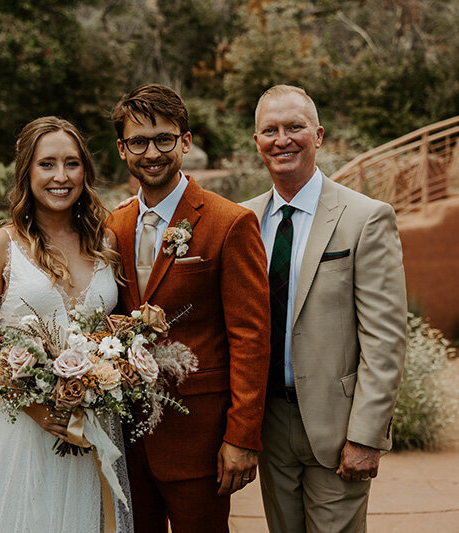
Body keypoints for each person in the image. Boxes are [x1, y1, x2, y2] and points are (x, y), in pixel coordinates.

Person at [241, 85, 407, 532]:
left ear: (318, 136)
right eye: (270, 130)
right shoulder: (242, 222)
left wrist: (366, 436)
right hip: (270, 425)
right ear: (256, 142)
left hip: (338, 428)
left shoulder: (365, 217)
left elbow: (386, 338)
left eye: (294, 127)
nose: (283, 139)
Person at [106, 84, 271, 533]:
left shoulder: (229, 222)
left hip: (199, 437)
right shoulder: (112, 224)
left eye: (164, 138)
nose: (152, 152)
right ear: (122, 149)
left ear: (186, 141)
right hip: (125, 435)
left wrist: (241, 437)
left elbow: (251, 336)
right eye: (138, 141)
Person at [0, 116, 133, 533]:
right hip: (20, 431)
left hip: (94, 426)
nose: (61, 176)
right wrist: (37, 406)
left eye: (72, 164)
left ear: (85, 172)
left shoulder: (106, 242)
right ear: (27, 171)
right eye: (47, 164)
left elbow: (117, 328)